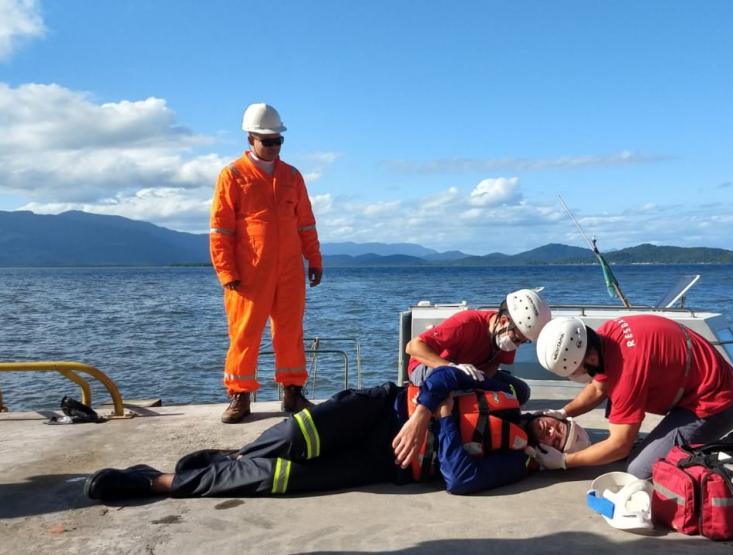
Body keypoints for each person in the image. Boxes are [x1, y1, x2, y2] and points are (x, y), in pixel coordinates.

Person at [83, 367, 591, 501]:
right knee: (287, 439)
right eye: (561, 423)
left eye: (559, 438)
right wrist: (423, 414)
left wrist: (440, 421)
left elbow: (460, 480)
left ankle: (155, 482)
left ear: (549, 451)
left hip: (383, 464)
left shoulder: (513, 461)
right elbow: (443, 377)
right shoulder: (510, 390)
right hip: (378, 412)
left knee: (275, 479)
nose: (553, 429)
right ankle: (233, 452)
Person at [209, 103, 323, 424]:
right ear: (251, 139)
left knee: (290, 331)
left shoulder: (292, 176)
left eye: (278, 141)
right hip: (248, 272)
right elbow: (221, 229)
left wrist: (313, 258)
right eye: (267, 141)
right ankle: (239, 396)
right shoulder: (232, 175)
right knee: (245, 334)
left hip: (289, 270)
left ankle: (292, 393)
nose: (273, 146)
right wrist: (226, 270)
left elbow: (306, 224)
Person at [530, 314, 733, 478]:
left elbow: (619, 445)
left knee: (638, 470)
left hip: (717, 405)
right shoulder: (607, 336)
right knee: (616, 401)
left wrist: (566, 461)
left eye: (576, 372)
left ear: (591, 358)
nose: (579, 377)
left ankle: (722, 450)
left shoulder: (627, 371)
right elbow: (598, 388)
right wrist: (562, 412)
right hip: (706, 386)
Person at [405, 288, 551, 407]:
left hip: (470, 373)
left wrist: (480, 383)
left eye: (522, 342)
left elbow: (494, 365)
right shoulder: (467, 322)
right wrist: (451, 368)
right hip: (429, 366)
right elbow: (413, 347)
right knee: (448, 385)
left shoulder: (506, 336)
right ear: (503, 321)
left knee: (520, 392)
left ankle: (460, 396)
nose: (517, 345)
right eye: (517, 339)